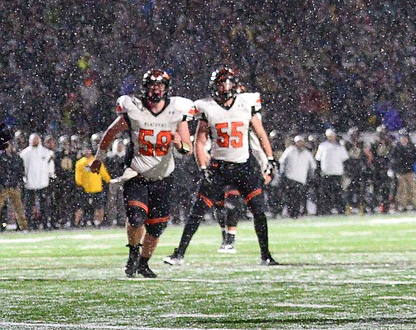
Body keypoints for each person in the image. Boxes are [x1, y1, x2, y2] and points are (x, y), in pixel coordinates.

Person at [164, 67, 279, 266]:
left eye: (227, 83)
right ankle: (179, 254)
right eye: (220, 83)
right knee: (197, 211)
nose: (224, 87)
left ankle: (266, 255)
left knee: (259, 211)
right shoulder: (206, 107)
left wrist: (269, 158)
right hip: (219, 167)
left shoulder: (245, 103)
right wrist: (202, 167)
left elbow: (260, 134)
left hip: (244, 166)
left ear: (235, 85)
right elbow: (200, 141)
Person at [91, 69, 195, 277]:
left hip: (164, 177)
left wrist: (179, 144)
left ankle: (144, 263)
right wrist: (98, 158)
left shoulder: (177, 110)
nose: (156, 89)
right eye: (152, 85)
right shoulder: (134, 109)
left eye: (160, 85)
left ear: (166, 89)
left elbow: (187, 148)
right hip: (137, 175)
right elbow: (110, 133)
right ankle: (133, 254)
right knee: (137, 217)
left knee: (157, 227)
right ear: (145, 87)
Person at [20, 133, 56, 229]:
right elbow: (23, 167)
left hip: (43, 182)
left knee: (44, 205)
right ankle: (30, 224)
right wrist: (24, 178)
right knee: (29, 205)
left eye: (36, 139)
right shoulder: (24, 153)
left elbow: (50, 166)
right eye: (33, 139)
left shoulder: (46, 152)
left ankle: (45, 223)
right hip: (30, 183)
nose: (35, 141)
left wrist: (51, 175)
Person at [277, 134, 315, 218]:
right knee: (290, 197)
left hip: (301, 178)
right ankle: (291, 212)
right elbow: (282, 161)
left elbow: (312, 166)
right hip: (290, 177)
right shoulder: (290, 150)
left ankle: (296, 213)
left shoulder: (306, 153)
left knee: (298, 197)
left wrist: (311, 176)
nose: (300, 144)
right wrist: (282, 173)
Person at [73, 145, 110, 227]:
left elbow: (103, 172)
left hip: (97, 187)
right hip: (86, 188)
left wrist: (109, 180)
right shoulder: (80, 163)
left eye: (88, 150)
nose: (87, 152)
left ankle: (99, 222)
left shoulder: (96, 161)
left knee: (99, 207)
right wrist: (79, 184)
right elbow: (78, 175)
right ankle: (78, 222)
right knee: (82, 207)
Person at [314, 128, 347, 215]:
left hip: (337, 173)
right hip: (326, 173)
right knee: (326, 193)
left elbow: (345, 159)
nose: (331, 138)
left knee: (338, 193)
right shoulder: (322, 146)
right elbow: (318, 159)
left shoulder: (339, 147)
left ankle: (340, 209)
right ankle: (326, 209)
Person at [0, 136, 28, 231]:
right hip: (3, 186)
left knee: (19, 207)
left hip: (13, 185)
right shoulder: (1, 157)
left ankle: (23, 227)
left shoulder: (16, 158)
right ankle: (2, 225)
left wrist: (18, 181)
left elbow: (20, 171)